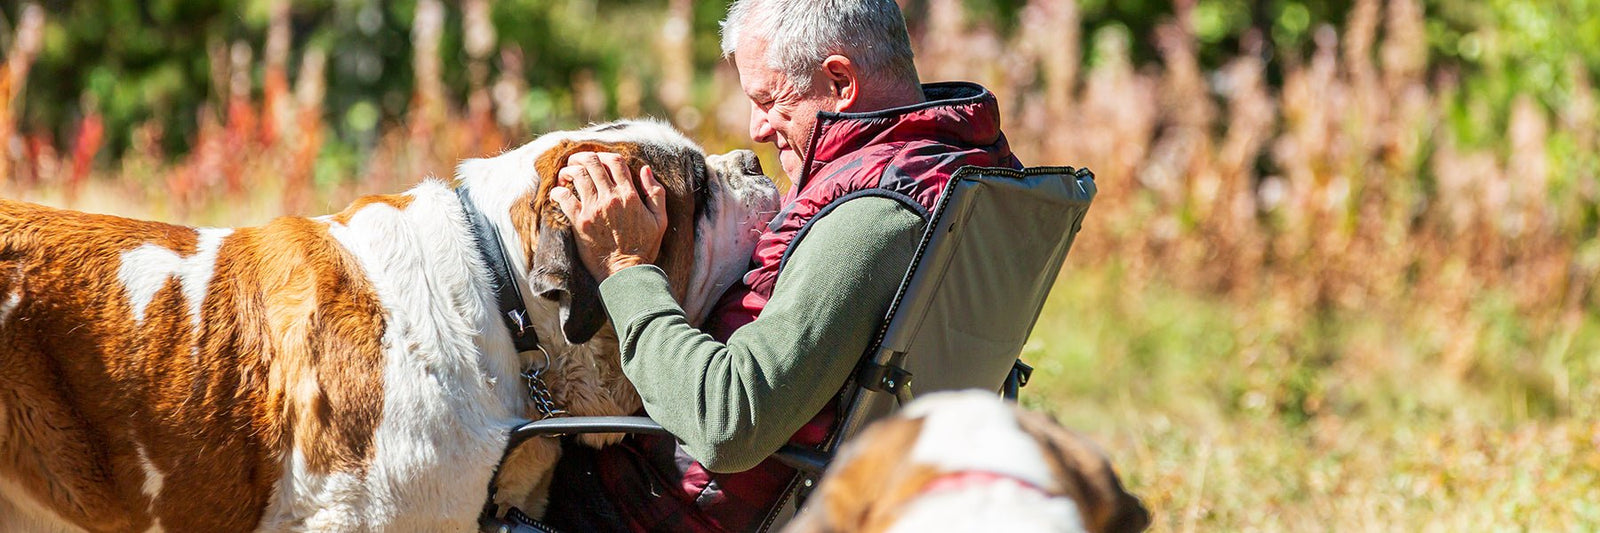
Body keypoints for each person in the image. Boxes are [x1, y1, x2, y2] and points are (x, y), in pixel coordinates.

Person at [541, 0, 1021, 530]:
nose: (757, 128)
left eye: (769, 100)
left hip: (642, 510)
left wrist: (625, 266)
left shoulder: (871, 220)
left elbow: (729, 422)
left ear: (840, 82)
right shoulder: (960, 169)